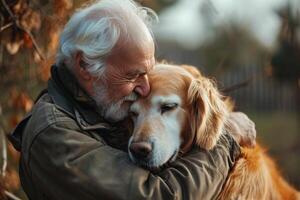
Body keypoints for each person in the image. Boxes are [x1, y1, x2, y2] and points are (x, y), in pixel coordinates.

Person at [9, 0, 256, 199]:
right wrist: (226, 138)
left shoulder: (101, 107)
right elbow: (159, 195)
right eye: (133, 75)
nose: (145, 87)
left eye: (146, 72)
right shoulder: (54, 135)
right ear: (84, 65)